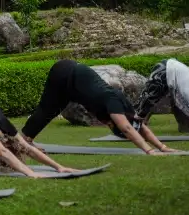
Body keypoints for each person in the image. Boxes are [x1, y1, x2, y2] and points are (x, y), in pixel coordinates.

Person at [22, 59, 180, 155]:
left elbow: (139, 126)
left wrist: (162, 147)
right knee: (47, 109)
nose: (109, 125)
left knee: (52, 109)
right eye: (111, 126)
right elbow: (127, 128)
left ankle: (26, 140)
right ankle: (23, 141)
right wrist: (150, 151)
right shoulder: (113, 102)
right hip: (64, 73)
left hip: (73, 83)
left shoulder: (127, 109)